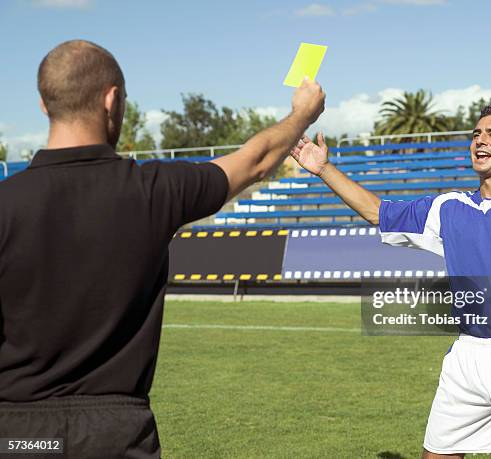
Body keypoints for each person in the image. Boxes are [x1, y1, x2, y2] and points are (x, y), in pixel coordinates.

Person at [0, 39, 324, 458]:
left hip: (18, 437)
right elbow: (256, 161)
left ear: (44, 106)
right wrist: (302, 113)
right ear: (113, 100)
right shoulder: (155, 190)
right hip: (116, 435)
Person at [290, 75, 491, 458]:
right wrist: (324, 169)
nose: (480, 140)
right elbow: (377, 212)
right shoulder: (447, 207)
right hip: (466, 355)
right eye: (476, 133)